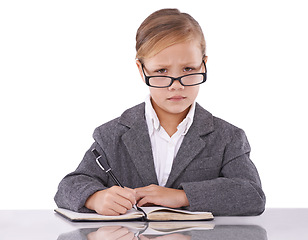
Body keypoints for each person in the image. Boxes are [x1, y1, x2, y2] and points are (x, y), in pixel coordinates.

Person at [54, 8, 265, 216]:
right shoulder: (111, 135)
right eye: (161, 71)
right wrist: (94, 198)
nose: (176, 85)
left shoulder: (228, 137)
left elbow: (252, 194)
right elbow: (68, 187)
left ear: (203, 65)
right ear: (141, 69)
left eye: (188, 69)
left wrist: (183, 196)